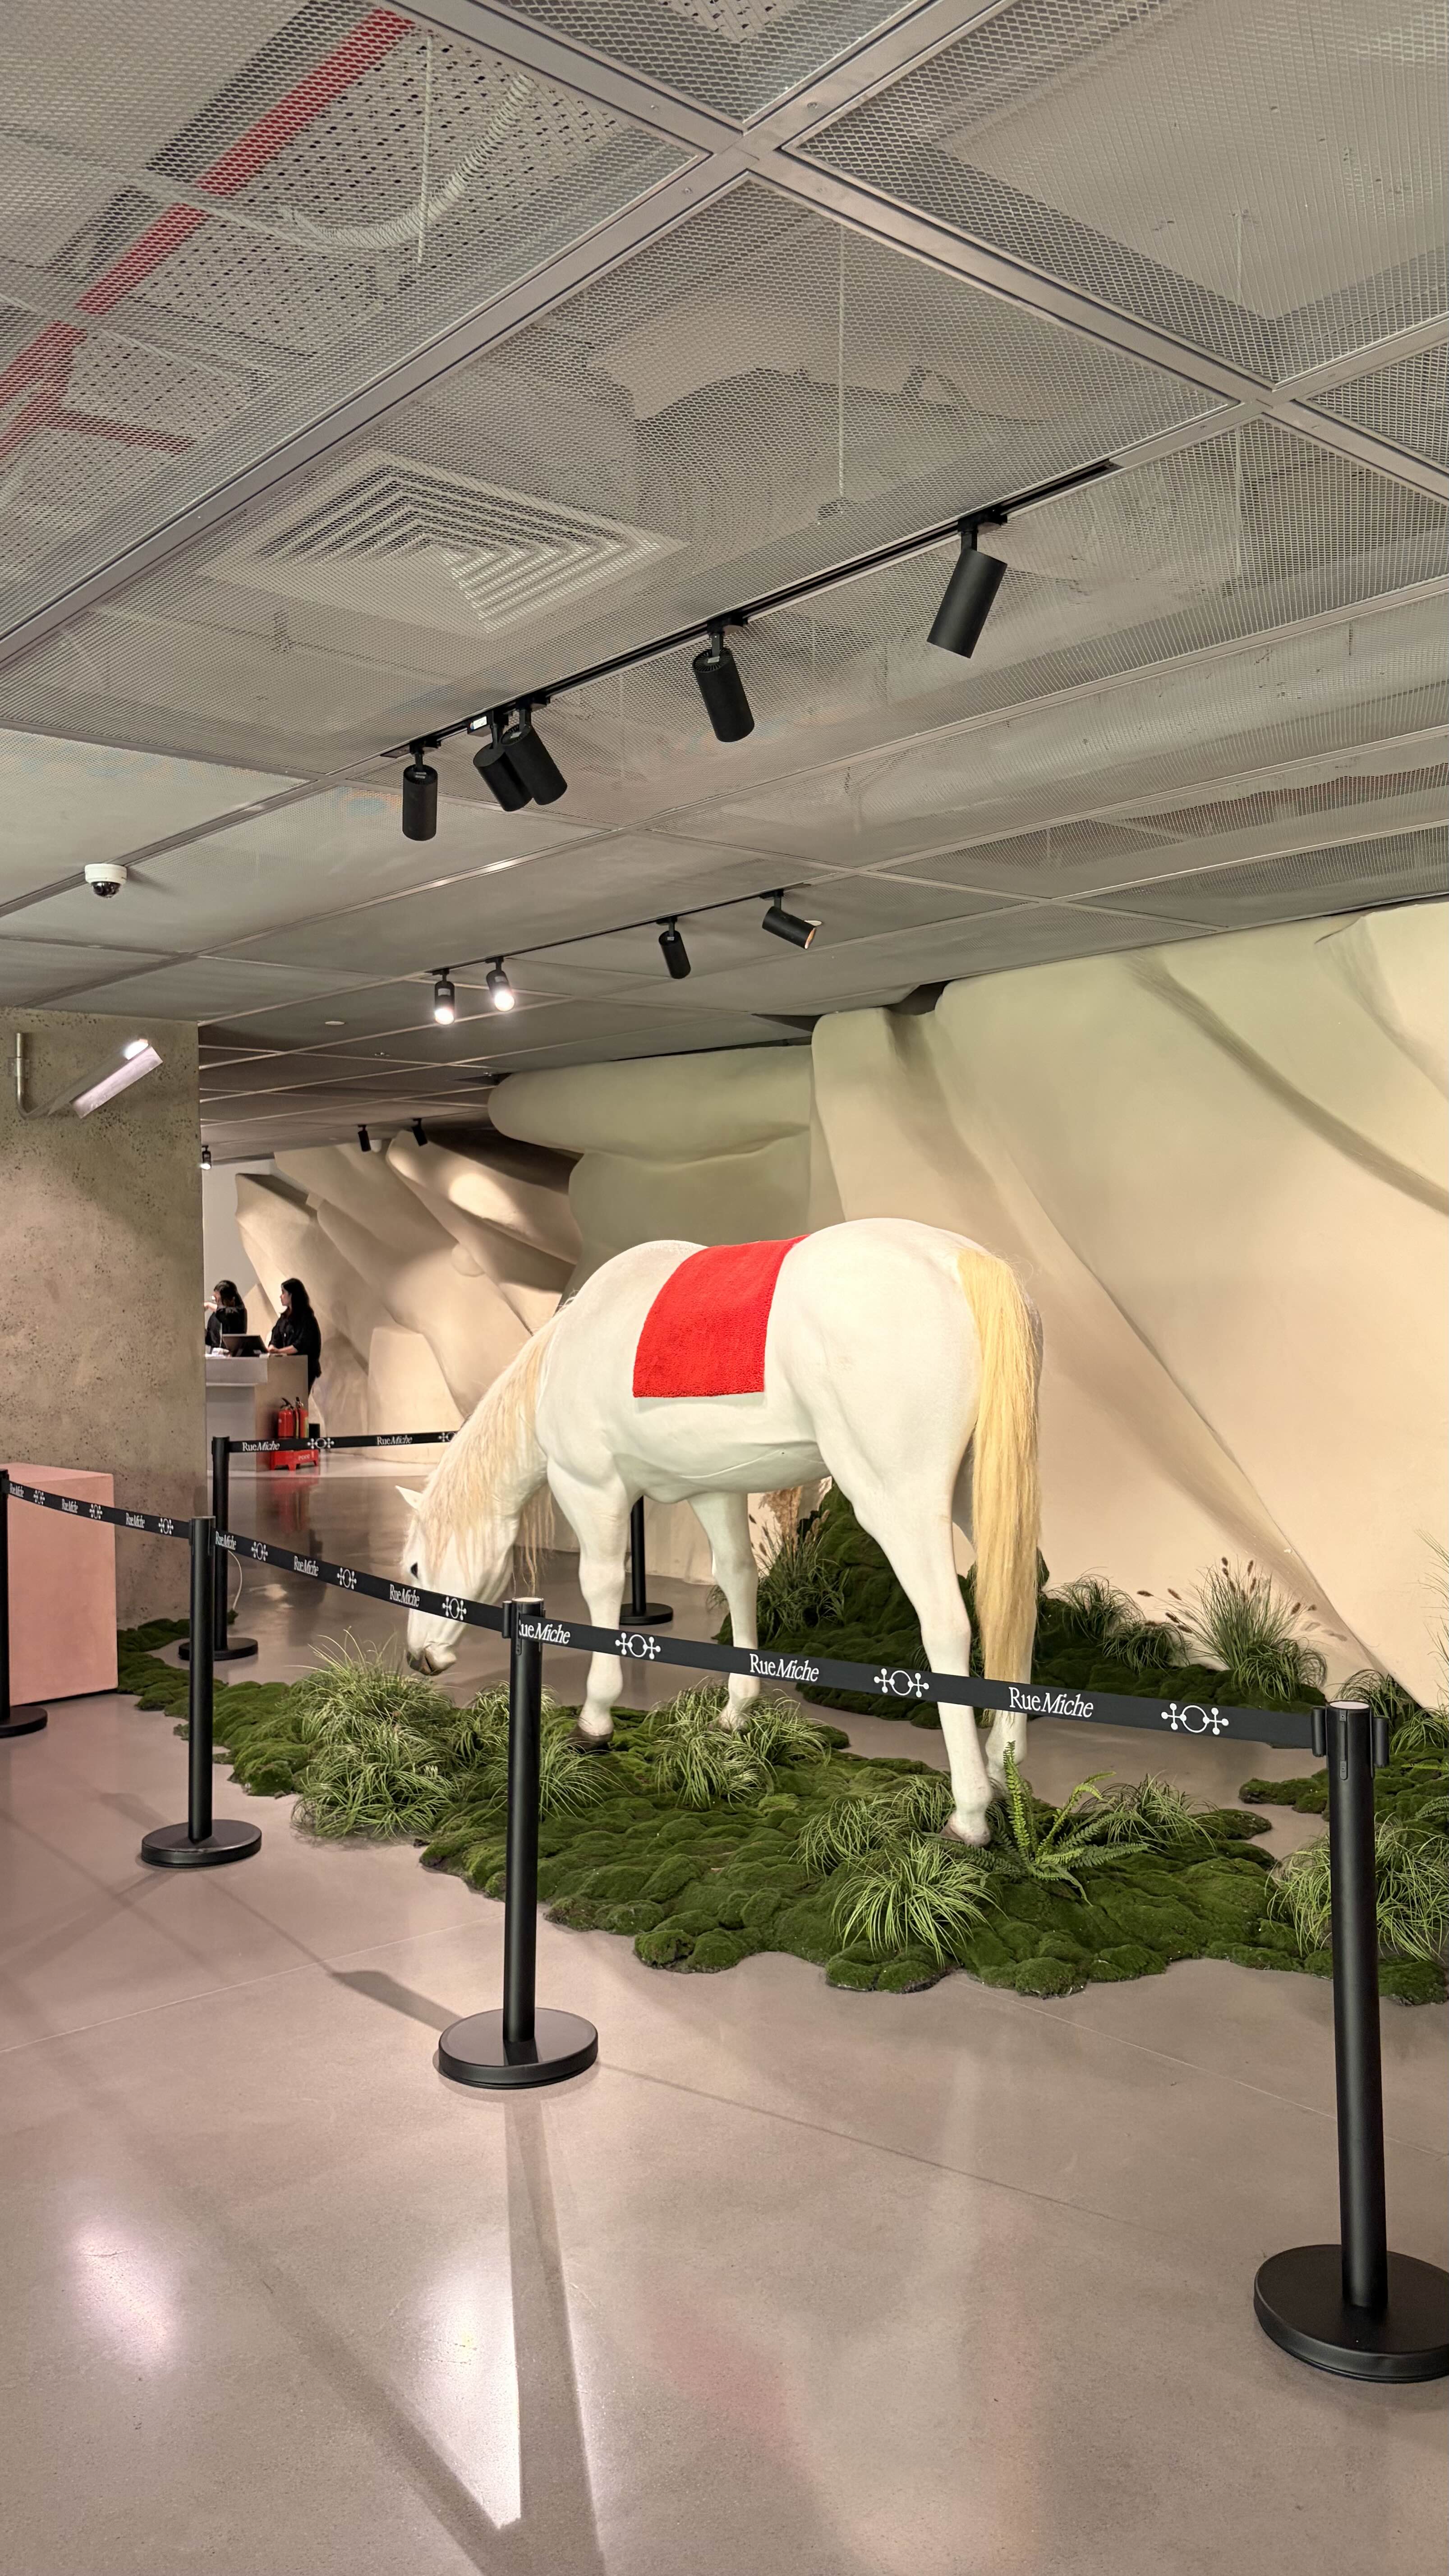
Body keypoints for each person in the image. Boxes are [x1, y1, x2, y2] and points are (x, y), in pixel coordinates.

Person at [268, 1275, 322, 1390]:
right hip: (286, 1368)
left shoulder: (307, 1319)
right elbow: (276, 1336)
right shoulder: (284, 1318)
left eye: (283, 1293)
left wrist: (279, 1352)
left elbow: (301, 1345)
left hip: (303, 1370)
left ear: (292, 1295)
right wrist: (272, 1347)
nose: (281, 1296)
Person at [205, 1279, 248, 1348]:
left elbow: (226, 1313)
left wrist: (209, 1305)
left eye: (219, 1300)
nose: (217, 1302)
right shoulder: (216, 1315)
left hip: (233, 1354)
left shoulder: (239, 1312)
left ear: (232, 1300)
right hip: (216, 1354)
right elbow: (212, 1340)